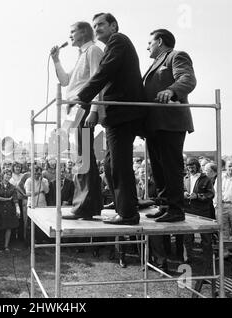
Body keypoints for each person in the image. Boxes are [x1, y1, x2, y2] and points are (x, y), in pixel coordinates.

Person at [73, 13, 147, 225]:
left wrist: (83, 98)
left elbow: (104, 72)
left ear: (114, 26)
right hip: (114, 114)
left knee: (119, 164)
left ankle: (128, 213)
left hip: (121, 113)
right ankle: (123, 207)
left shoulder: (118, 40)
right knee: (110, 164)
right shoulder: (110, 46)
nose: (97, 29)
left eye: (101, 25)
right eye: (94, 26)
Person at [50, 20, 104, 220]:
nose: (70, 35)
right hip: (76, 109)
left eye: (72, 31)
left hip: (84, 107)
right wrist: (56, 59)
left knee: (84, 155)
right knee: (80, 155)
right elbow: (65, 81)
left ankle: (85, 206)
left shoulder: (93, 52)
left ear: (84, 33)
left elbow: (99, 81)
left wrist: (94, 111)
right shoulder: (82, 56)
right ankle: (87, 205)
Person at [143, 29, 196, 223]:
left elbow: (187, 79)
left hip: (170, 122)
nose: (147, 46)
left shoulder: (176, 56)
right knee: (158, 167)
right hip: (154, 125)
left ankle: (176, 209)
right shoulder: (153, 64)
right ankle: (165, 205)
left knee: (170, 166)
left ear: (159, 41)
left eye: (149, 43)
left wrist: (171, 91)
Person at [182, 158, 214, 268]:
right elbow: (181, 190)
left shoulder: (206, 179)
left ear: (197, 166)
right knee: (187, 235)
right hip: (188, 210)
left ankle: (207, 260)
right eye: (188, 167)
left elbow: (211, 194)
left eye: (192, 167)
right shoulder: (185, 178)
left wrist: (198, 196)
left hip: (202, 211)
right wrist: (185, 194)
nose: (190, 169)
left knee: (205, 236)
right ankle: (188, 258)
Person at [0, 169, 20, 251]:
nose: (8, 176)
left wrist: (17, 208)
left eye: (9, 174)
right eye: (6, 174)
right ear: (3, 175)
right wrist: (7, 199)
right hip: (0, 209)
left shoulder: (13, 187)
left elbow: (15, 199)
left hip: (10, 209)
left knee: (8, 227)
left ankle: (6, 246)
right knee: (0, 227)